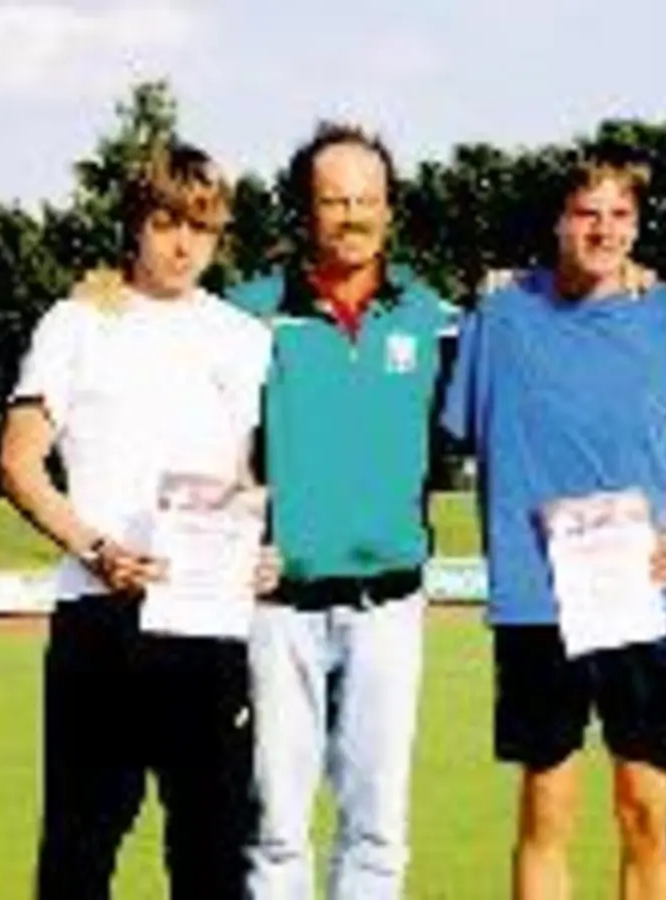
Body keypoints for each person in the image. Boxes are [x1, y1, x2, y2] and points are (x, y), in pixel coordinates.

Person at [0, 142, 279, 900]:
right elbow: (20, 464)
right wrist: (95, 549)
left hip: (211, 623)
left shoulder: (246, 339)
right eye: (166, 223)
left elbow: (254, 479)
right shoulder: (75, 323)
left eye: (202, 227)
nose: (184, 245)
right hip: (102, 620)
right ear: (135, 224)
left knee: (214, 859)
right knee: (79, 854)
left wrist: (266, 551)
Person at [440, 143, 666, 900]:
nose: (604, 229)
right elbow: (460, 430)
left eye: (620, 214)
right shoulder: (499, 319)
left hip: (649, 595)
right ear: (558, 222)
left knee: (646, 814)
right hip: (540, 599)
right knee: (545, 812)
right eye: (587, 213)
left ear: (639, 223)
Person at [229, 123, 452, 900]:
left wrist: (629, 276)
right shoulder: (244, 315)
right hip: (276, 607)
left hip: (389, 603)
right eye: (334, 201)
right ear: (304, 211)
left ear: (390, 209)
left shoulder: (431, 315)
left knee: (378, 831)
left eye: (367, 200)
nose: (353, 216)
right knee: (273, 832)